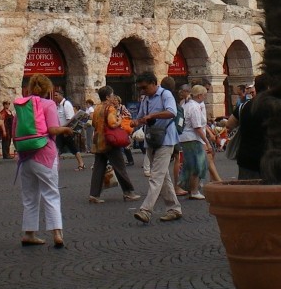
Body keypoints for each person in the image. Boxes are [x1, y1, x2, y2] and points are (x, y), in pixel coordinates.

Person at [18, 73, 73, 248]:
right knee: (50, 193)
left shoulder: (22, 104)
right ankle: (57, 233)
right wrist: (66, 130)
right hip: (45, 154)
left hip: (25, 156)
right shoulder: (49, 104)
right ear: (48, 88)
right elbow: (52, 129)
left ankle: (29, 233)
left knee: (29, 197)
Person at [132, 71, 182, 224]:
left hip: (166, 139)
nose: (142, 91)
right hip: (152, 139)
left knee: (156, 176)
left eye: (145, 87)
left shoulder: (165, 95)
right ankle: (174, 208)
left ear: (154, 84)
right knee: (163, 175)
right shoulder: (145, 98)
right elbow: (141, 117)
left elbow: (172, 112)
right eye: (140, 88)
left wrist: (153, 116)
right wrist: (136, 122)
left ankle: (146, 210)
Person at [87, 86, 141, 204]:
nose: (113, 97)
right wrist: (120, 120)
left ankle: (94, 194)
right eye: (112, 95)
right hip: (109, 141)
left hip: (98, 141)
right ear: (107, 97)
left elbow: (94, 123)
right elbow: (112, 124)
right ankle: (128, 192)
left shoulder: (97, 108)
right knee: (120, 167)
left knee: (98, 168)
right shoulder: (110, 108)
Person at [177, 84, 210, 200]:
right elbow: (197, 127)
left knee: (190, 164)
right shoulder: (194, 107)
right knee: (197, 165)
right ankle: (194, 190)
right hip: (193, 138)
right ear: (200, 95)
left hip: (186, 138)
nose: (205, 97)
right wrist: (207, 142)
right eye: (205, 95)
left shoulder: (186, 105)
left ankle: (189, 187)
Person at [53, 89, 85, 171]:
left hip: (66, 130)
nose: (54, 97)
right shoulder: (58, 106)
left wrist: (64, 128)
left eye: (56, 95)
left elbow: (70, 119)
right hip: (61, 130)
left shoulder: (66, 104)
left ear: (61, 95)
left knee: (72, 147)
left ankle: (81, 163)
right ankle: (54, 166)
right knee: (58, 148)